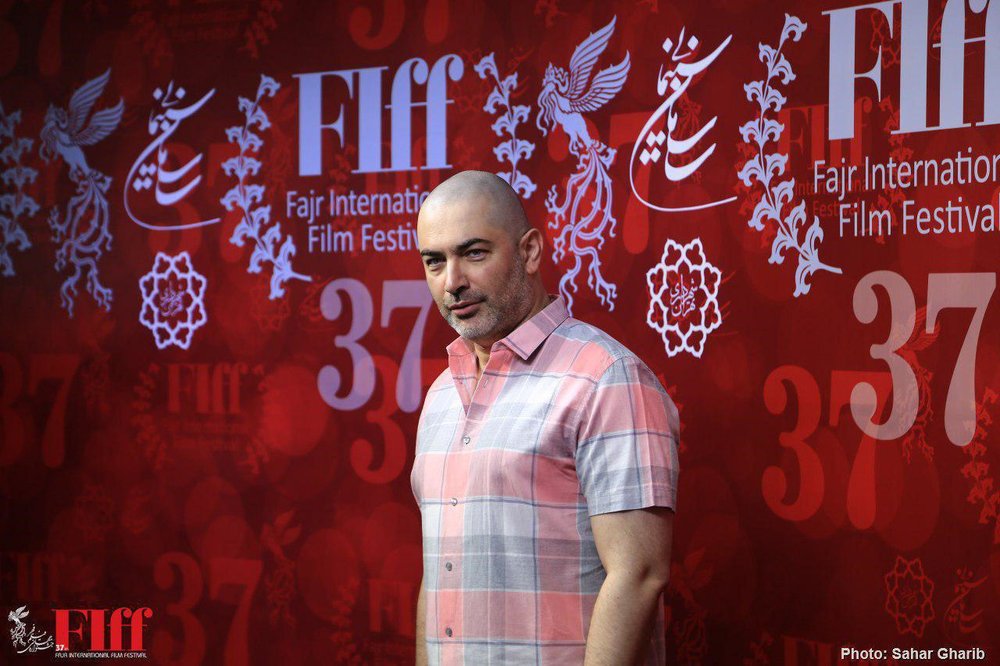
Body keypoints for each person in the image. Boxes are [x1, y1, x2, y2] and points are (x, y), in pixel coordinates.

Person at [411, 170, 680, 665]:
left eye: (474, 253)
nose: (453, 282)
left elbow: (639, 575)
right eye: (435, 261)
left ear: (530, 252)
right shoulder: (441, 396)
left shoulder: (606, 378)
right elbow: (438, 575)